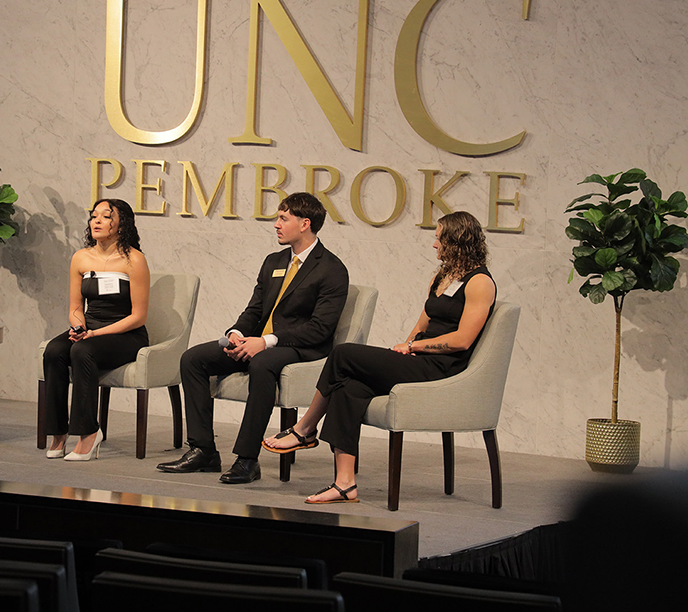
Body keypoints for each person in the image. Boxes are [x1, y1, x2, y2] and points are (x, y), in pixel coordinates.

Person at [263, 210, 496, 503]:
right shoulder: (443, 276)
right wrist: (407, 345)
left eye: (439, 239)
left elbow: (462, 341)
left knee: (344, 353)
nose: (434, 244)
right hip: (417, 359)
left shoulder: (480, 282)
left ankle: (305, 428)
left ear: (457, 241)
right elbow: (422, 325)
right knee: (349, 387)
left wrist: (415, 348)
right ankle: (345, 484)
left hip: (442, 368)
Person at [158, 192, 349, 484]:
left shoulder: (332, 269)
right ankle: (203, 450)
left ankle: (247, 460)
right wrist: (236, 333)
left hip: (301, 347)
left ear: (305, 224)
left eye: (283, 218)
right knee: (193, 359)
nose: (276, 224)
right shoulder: (274, 261)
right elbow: (255, 309)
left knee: (262, 363)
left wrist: (266, 341)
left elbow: (319, 328)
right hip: (260, 342)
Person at [43, 198, 149, 461]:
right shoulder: (81, 257)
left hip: (126, 334)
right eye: (94, 216)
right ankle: (58, 432)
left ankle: (89, 433)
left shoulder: (134, 259)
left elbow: (138, 316)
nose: (97, 221)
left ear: (121, 224)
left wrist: (94, 334)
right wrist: (78, 326)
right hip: (89, 328)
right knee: (54, 350)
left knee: (82, 351)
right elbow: (75, 307)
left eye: (106, 216)